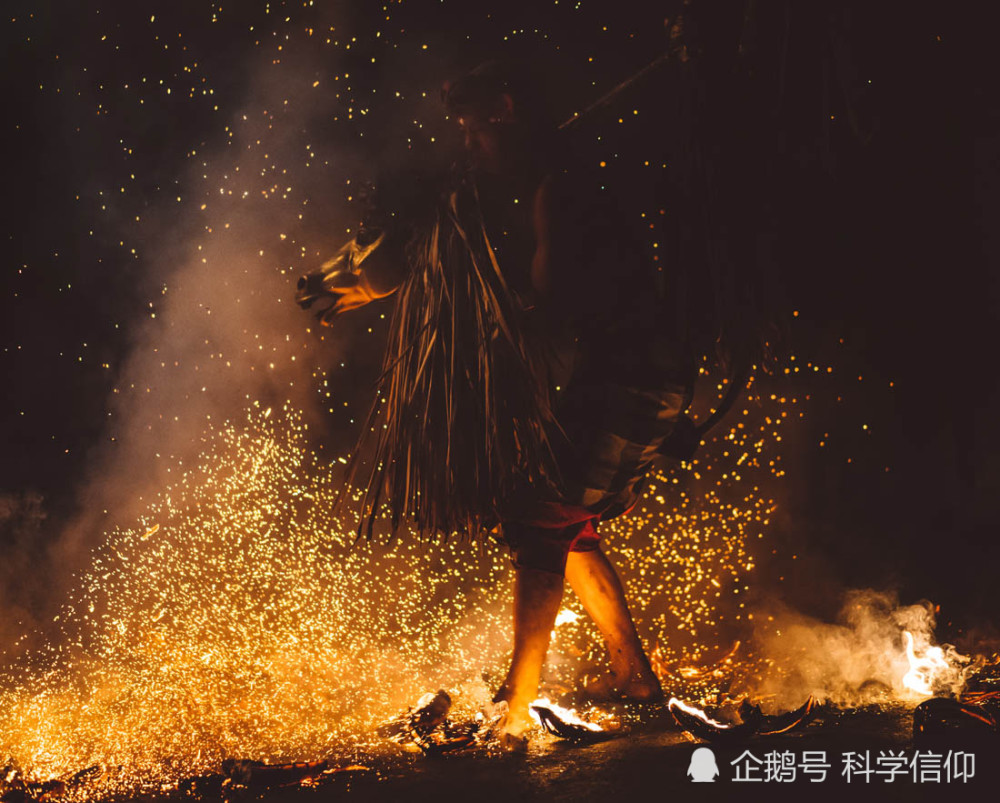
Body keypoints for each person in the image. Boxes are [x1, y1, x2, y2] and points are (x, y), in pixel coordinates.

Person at [297, 61, 695, 747]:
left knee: (544, 513)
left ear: (506, 112)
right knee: (565, 518)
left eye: (473, 131)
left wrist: (488, 296)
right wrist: (366, 278)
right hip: (618, 368)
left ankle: (518, 707)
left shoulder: (562, 190)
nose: (467, 146)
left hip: (639, 371)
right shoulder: (539, 185)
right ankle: (635, 679)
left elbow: (557, 298)